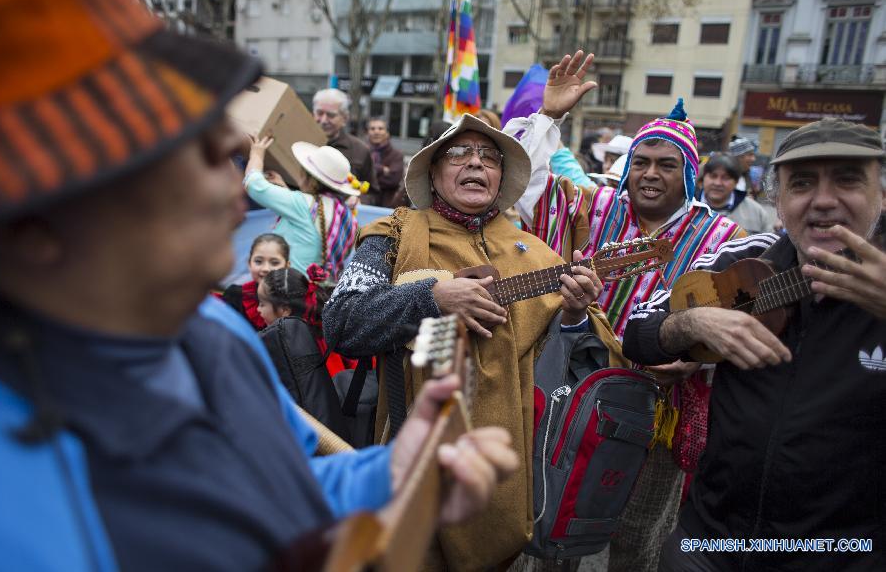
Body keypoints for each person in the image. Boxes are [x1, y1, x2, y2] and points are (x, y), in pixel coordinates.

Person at [0, 0, 519, 569]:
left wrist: (386, 474)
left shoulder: (215, 333)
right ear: (29, 225)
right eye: (162, 135)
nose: (227, 145)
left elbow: (288, 495)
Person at [323, 113, 626, 570]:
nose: (475, 164)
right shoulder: (394, 235)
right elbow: (342, 321)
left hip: (514, 476)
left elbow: (580, 368)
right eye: (459, 153)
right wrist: (431, 297)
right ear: (433, 172)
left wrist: (575, 314)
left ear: (502, 177)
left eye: (488, 157)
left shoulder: (539, 252)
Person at [507, 51, 746, 572]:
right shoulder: (594, 208)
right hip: (576, 395)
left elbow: (748, 313)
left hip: (661, 408)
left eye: (666, 164)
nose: (650, 174)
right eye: (641, 162)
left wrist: (700, 360)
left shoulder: (726, 239)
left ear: (689, 172)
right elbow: (524, 186)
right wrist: (548, 117)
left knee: (638, 539)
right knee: (552, 518)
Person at [623, 117, 886, 571]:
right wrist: (695, 323)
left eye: (846, 179)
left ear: (881, 195)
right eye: (802, 183)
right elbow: (638, 332)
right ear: (778, 203)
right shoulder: (746, 259)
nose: (824, 201)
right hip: (709, 545)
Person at [243, 136, 358, 280]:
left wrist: (257, 153)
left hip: (287, 288)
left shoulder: (301, 204)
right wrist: (285, 190)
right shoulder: (347, 215)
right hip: (318, 295)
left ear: (309, 178)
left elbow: (253, 184)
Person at [313, 88, 377, 204]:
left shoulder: (360, 150)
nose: (323, 120)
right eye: (319, 113)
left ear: (345, 119)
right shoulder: (301, 145)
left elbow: (372, 192)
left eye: (331, 115)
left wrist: (359, 200)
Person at [221, 233, 290, 330]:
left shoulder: (295, 298)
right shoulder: (235, 296)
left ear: (287, 266)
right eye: (258, 261)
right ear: (249, 263)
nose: (266, 268)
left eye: (274, 263)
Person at [698, 154, 776, 234]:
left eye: (725, 178)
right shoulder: (687, 207)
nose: (718, 183)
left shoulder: (756, 213)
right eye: (713, 176)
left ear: (736, 182)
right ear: (703, 178)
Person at [366, 115, 407, 208]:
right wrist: (382, 169)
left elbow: (393, 180)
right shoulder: (362, 152)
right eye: (372, 129)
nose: (376, 132)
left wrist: (369, 176)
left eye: (380, 128)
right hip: (364, 204)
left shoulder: (397, 155)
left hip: (387, 207)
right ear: (367, 132)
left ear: (387, 133)